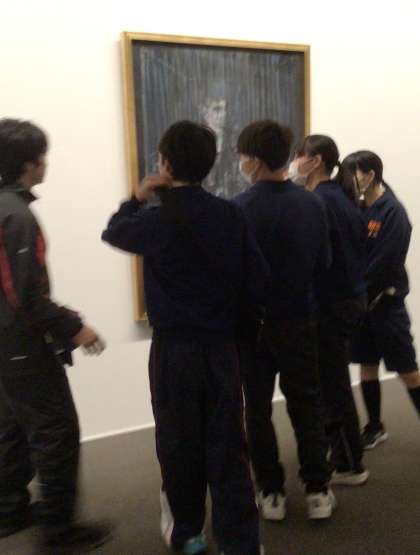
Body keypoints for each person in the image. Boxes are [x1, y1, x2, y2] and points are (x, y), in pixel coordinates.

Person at [102, 120, 268, 555]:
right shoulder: (231, 214)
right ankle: (239, 541)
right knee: (229, 444)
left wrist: (137, 196)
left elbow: (114, 231)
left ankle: (188, 533)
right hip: (221, 347)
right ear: (210, 164)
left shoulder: (155, 219)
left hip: (174, 350)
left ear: (165, 163)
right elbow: (258, 279)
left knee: (178, 443)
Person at [0, 119, 112, 553]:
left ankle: (9, 510)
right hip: (22, 347)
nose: (46, 162)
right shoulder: (18, 216)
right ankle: (59, 532)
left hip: (5, 346)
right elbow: (26, 297)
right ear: (29, 162)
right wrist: (75, 326)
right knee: (57, 432)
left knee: (12, 428)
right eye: (42, 155)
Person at [234, 120, 334, 522]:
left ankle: (271, 491)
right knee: (307, 404)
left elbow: (232, 274)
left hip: (253, 326)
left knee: (256, 410)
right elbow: (324, 264)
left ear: (255, 161)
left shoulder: (239, 209)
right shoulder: (311, 204)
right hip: (299, 320)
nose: (241, 162)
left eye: (243, 156)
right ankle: (317, 490)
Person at [290, 135, 369, 486]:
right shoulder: (339, 197)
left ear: (316, 160)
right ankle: (342, 455)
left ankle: (349, 463)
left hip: (332, 304)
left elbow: (319, 259)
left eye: (300, 155)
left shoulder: (321, 201)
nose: (295, 161)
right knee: (331, 382)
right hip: (346, 299)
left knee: (331, 386)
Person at [342, 150, 420, 448]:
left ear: (370, 175)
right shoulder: (358, 207)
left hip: (386, 305)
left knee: (408, 371)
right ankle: (375, 426)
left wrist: (357, 288)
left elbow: (385, 263)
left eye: (353, 175)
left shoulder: (393, 212)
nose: (349, 181)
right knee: (366, 365)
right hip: (362, 306)